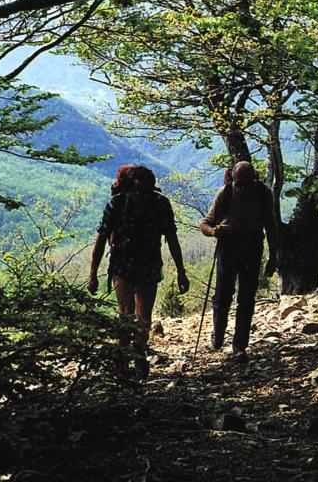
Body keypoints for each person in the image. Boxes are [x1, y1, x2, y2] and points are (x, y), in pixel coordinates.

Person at [88, 165, 190, 377]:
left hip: (142, 265)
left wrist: (182, 272)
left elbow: (172, 238)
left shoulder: (154, 203)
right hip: (127, 266)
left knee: (141, 316)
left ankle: (136, 357)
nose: (144, 195)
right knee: (128, 313)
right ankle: (125, 362)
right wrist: (92, 274)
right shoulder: (123, 203)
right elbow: (100, 240)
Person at [200, 161, 278, 364]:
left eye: (246, 184)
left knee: (247, 297)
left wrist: (274, 255)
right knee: (223, 294)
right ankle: (218, 334)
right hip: (228, 246)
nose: (242, 188)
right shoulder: (224, 193)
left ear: (254, 178)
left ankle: (239, 346)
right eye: (239, 184)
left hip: (252, 247)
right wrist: (214, 232)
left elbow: (270, 223)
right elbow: (205, 224)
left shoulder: (263, 193)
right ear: (233, 179)